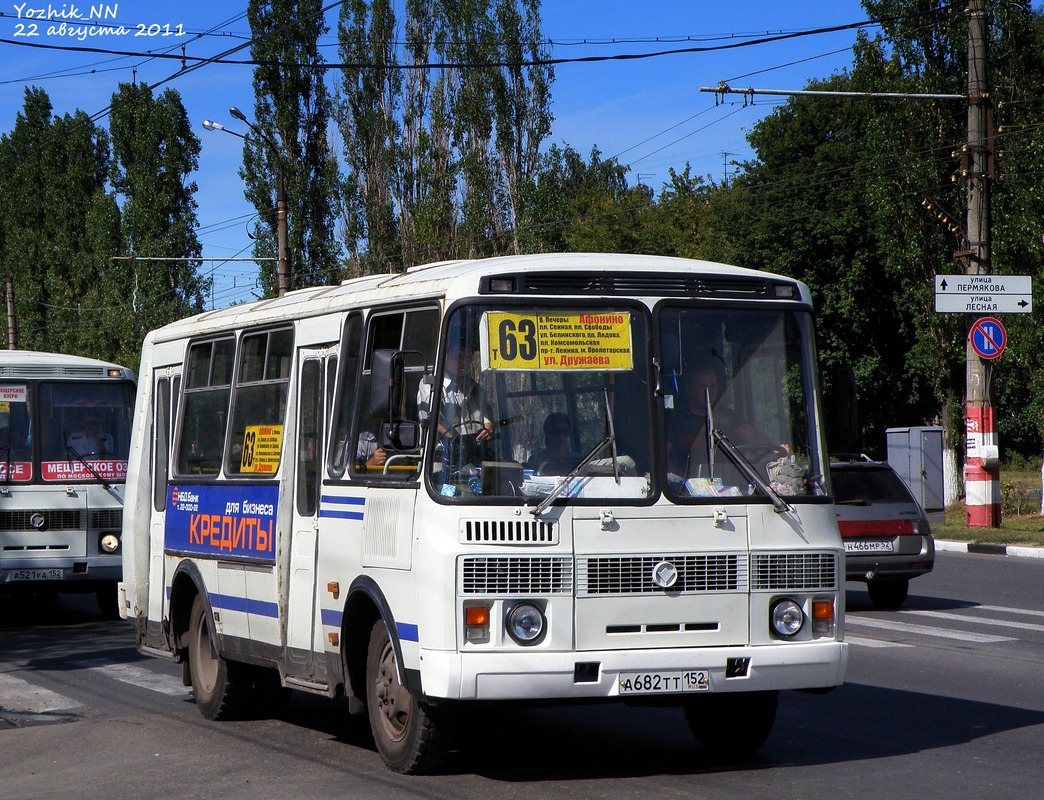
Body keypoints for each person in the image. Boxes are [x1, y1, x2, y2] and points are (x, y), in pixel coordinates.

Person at [417, 344, 493, 441]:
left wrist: (488, 429)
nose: (463, 363)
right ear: (445, 357)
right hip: (442, 451)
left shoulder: (474, 387)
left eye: (468, 357)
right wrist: (460, 442)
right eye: (458, 357)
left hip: (472, 450)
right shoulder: (431, 385)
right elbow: (434, 421)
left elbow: (487, 419)